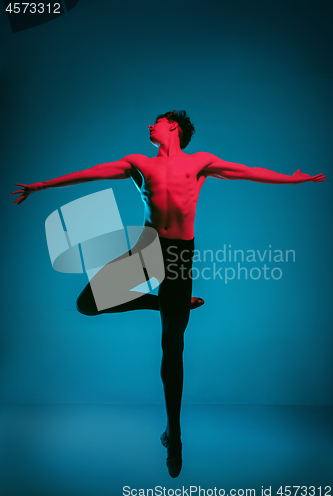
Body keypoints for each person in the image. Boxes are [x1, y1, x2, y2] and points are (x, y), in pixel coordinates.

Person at [12, 110, 325, 477]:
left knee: (172, 345)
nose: (149, 125)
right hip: (146, 250)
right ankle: (164, 303)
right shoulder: (138, 162)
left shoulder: (200, 162)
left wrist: (291, 180)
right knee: (86, 303)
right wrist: (41, 186)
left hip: (178, 255)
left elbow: (247, 171)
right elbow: (91, 172)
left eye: (156, 122)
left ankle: (173, 433)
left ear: (173, 126)